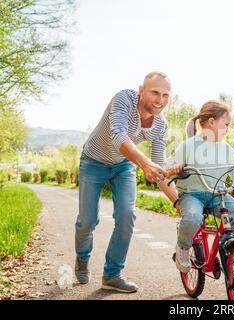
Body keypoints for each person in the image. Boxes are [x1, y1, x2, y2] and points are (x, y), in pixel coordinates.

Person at [74, 71, 179, 292]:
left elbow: (158, 167)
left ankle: (112, 275)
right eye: (155, 93)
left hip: (123, 165)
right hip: (93, 160)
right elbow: (118, 135)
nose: (160, 101)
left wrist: (179, 204)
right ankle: (82, 257)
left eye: (166, 95)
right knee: (87, 220)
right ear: (141, 90)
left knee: (126, 215)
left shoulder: (160, 126)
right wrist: (145, 163)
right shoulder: (124, 99)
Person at [169, 100, 234, 273]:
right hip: (192, 194)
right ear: (212, 122)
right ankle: (182, 247)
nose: (228, 129)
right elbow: (170, 170)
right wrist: (175, 169)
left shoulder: (226, 149)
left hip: (218, 195)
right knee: (193, 218)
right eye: (226, 124)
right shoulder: (188, 146)